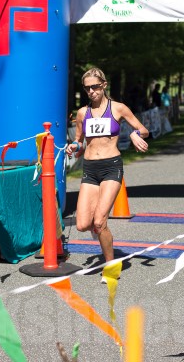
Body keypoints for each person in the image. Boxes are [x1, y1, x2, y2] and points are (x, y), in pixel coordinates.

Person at [66, 67, 149, 273]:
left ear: (104, 85)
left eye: (95, 87)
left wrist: (135, 135)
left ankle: (111, 266)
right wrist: (74, 147)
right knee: (82, 225)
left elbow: (144, 130)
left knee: (100, 221)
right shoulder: (82, 113)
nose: (91, 91)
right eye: (87, 88)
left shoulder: (118, 108)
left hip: (111, 166)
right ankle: (100, 232)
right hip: (90, 168)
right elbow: (79, 141)